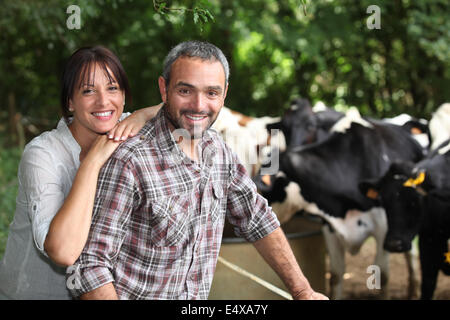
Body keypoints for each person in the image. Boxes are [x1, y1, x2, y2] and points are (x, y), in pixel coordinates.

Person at [69, 41, 328, 300]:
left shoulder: (220, 152)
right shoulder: (130, 161)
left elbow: (257, 218)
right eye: (185, 90)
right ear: (164, 89)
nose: (199, 105)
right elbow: (90, 266)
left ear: (224, 94)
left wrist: (303, 291)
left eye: (212, 93)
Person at [0, 46, 161, 299]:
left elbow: (186, 108)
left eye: (112, 88)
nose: (103, 101)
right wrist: (92, 162)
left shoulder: (127, 127)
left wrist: (144, 114)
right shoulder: (43, 154)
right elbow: (64, 252)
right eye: (88, 91)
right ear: (70, 102)